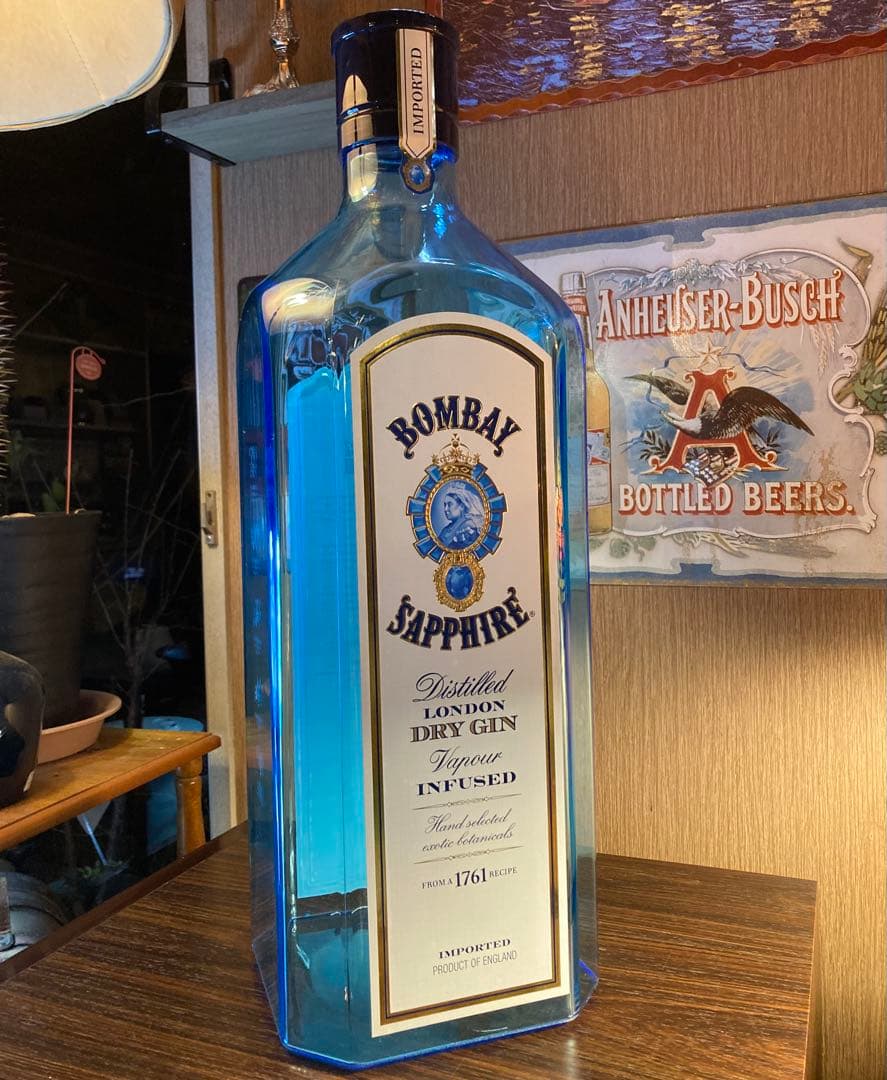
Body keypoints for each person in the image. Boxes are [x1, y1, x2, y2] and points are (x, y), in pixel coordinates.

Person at [437, 482, 485, 550]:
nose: (445, 509)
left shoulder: (469, 527)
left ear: (462, 506)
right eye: (445, 505)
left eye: (450, 504)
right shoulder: (446, 529)